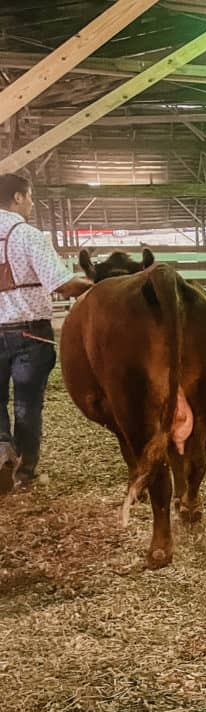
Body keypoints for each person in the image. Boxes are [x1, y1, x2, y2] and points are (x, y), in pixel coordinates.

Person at [0, 173, 92, 493]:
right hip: (29, 334)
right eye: (29, 197)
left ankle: (1, 451)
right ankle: (25, 470)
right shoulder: (29, 236)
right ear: (17, 197)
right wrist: (98, 285)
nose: (32, 204)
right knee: (27, 402)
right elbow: (62, 285)